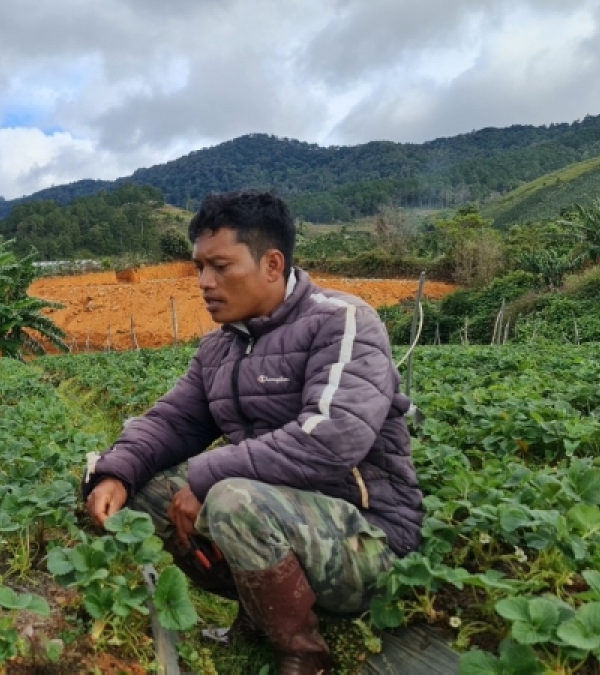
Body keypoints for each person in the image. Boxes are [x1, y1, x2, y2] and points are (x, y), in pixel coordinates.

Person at [83, 191, 423, 675]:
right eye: (200, 267)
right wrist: (116, 473)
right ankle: (260, 612)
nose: (204, 282)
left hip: (368, 541)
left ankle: (304, 655)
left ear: (271, 264)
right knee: (149, 492)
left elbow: (331, 438)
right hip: (284, 521)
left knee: (230, 498)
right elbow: (173, 421)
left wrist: (205, 477)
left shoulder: (343, 322)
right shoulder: (219, 349)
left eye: (220, 266)